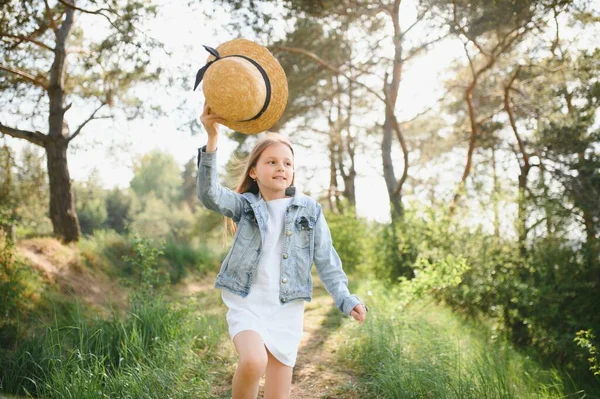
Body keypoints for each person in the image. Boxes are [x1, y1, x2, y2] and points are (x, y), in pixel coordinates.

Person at [197, 103, 368, 398]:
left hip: (287, 310)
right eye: (272, 162)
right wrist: (212, 139)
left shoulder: (310, 210)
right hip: (247, 303)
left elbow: (327, 260)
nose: (281, 168)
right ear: (253, 171)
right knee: (253, 360)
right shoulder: (246, 206)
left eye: (287, 163)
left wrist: (344, 298)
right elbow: (210, 195)